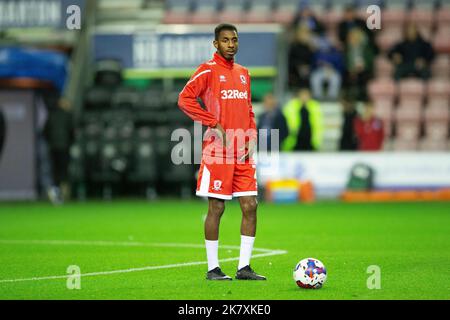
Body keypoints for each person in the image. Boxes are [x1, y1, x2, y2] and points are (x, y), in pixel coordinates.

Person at [178, 24, 265, 281]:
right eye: (225, 40)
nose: (231, 44)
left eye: (234, 40)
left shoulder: (243, 73)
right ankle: (213, 268)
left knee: (250, 205)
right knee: (216, 207)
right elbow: (185, 99)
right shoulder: (207, 70)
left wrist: (252, 136)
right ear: (216, 44)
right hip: (218, 151)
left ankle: (244, 268)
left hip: (243, 152)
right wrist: (211, 122)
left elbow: (249, 109)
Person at [343, 28, 375, 102]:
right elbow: (345, 61)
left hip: (364, 70)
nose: (352, 39)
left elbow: (370, 60)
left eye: (354, 37)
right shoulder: (347, 49)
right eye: (351, 38)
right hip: (350, 70)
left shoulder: (366, 48)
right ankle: (348, 99)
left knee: (363, 77)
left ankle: (362, 98)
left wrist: (363, 66)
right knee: (347, 77)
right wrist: (351, 69)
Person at [310, 37, 344, 101]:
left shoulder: (335, 53)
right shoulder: (317, 53)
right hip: (320, 71)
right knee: (315, 78)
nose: (325, 45)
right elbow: (313, 65)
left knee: (336, 78)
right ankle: (318, 97)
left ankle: (332, 97)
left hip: (333, 71)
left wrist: (332, 68)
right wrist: (321, 65)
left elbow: (340, 66)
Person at [288, 25, 315, 90]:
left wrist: (312, 48)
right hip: (296, 69)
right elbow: (290, 61)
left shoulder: (310, 47)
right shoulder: (294, 47)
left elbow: (314, 59)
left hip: (309, 68)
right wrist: (299, 66)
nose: (305, 36)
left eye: (306, 34)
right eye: (303, 34)